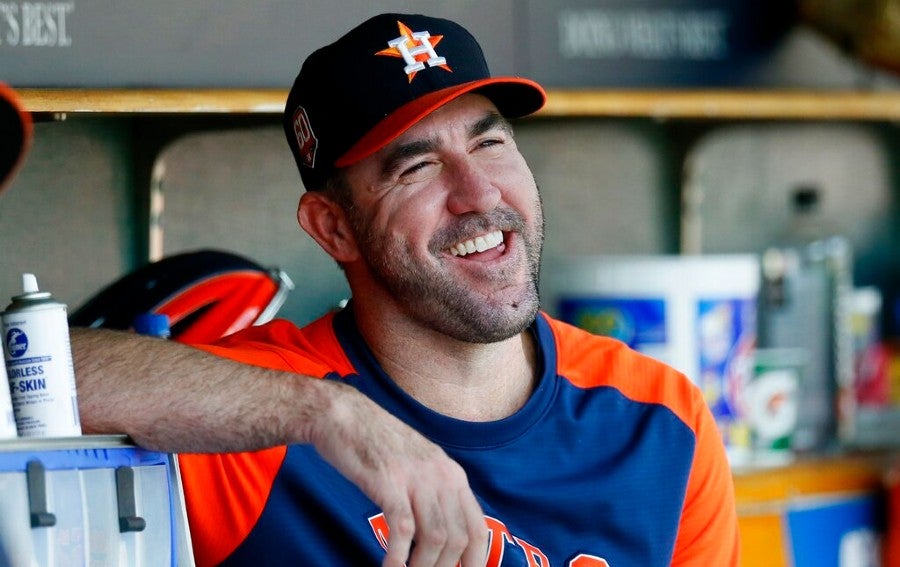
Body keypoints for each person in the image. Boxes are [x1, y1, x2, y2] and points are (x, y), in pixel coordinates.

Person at [71, 12, 739, 567]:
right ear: (334, 229)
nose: (479, 194)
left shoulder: (659, 418)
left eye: (491, 143)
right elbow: (22, 373)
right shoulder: (260, 415)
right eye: (417, 166)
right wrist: (329, 415)